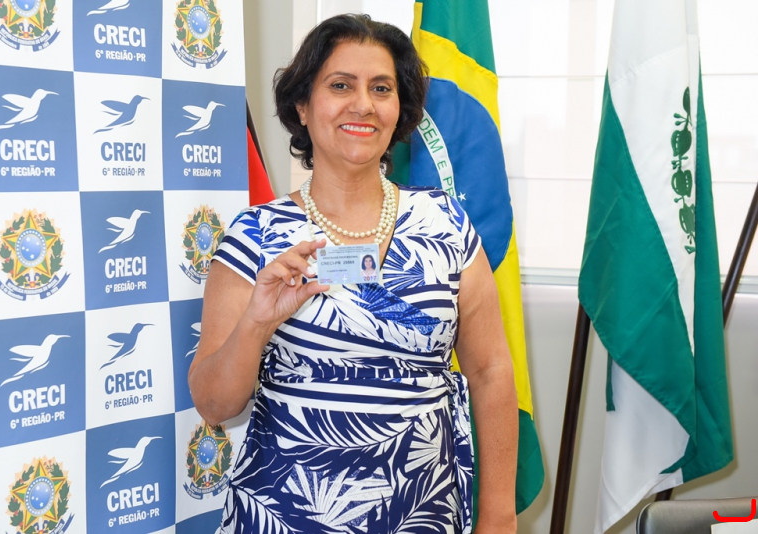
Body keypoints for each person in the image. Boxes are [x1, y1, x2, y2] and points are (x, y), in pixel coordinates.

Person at [188, 13, 518, 534]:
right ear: (303, 105)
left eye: (381, 88)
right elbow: (214, 404)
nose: (363, 104)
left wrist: (499, 515)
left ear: (399, 109)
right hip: (285, 515)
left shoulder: (447, 223)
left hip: (423, 513)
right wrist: (256, 322)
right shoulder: (255, 235)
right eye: (341, 85)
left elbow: (491, 371)